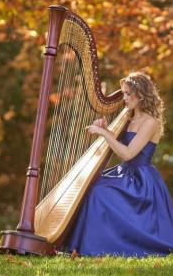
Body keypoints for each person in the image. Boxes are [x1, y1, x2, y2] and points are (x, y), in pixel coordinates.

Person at [64, 71, 173, 257]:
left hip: (140, 180)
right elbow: (119, 145)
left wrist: (104, 134)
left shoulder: (150, 122)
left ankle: (99, 246)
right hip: (124, 173)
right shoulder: (128, 117)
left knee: (99, 192)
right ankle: (86, 243)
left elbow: (129, 154)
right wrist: (106, 128)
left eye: (128, 93)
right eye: (123, 93)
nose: (124, 98)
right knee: (92, 186)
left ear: (141, 94)